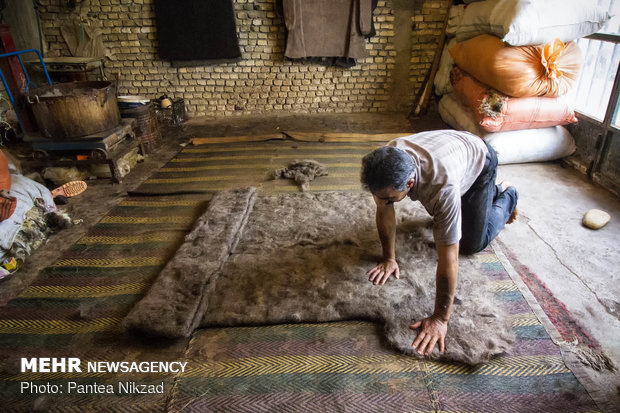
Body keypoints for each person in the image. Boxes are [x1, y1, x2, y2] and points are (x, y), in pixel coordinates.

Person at [360, 130, 518, 357]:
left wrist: (440, 318)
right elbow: (383, 208)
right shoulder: (389, 158)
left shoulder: (442, 188)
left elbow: (449, 258)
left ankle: (506, 194)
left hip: (480, 160)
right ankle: (484, 200)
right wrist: (389, 258)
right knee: (451, 215)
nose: (382, 202)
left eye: (389, 198)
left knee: (472, 243)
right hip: (452, 153)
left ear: (410, 183)